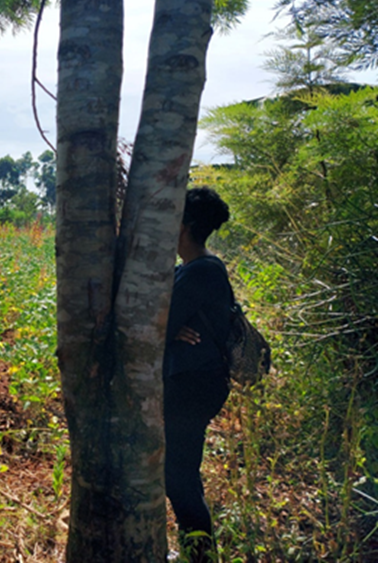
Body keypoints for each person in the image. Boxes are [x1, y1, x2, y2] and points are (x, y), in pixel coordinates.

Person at [164, 186, 233, 562]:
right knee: (181, 471)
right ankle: (197, 550)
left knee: (179, 476)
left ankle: (200, 555)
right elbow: (162, 320)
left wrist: (164, 328)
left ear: (184, 226)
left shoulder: (199, 274)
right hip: (196, 383)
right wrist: (168, 329)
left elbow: (150, 322)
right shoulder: (196, 268)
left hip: (193, 387)